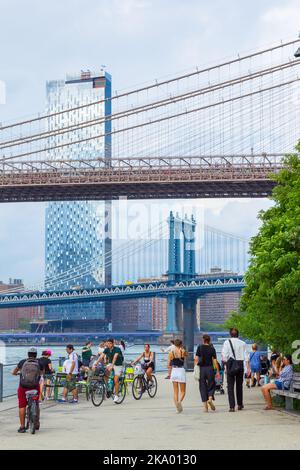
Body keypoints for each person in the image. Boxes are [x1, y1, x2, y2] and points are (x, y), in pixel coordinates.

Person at [12, 347, 44, 433]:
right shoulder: (40, 363)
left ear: (28, 354)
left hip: (23, 387)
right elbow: (42, 373)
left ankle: (22, 427)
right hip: (34, 386)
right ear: (36, 355)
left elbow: (14, 372)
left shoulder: (22, 362)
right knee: (36, 404)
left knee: (22, 406)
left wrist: (16, 373)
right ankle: (36, 423)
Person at [222, 328, 250, 412]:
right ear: (238, 334)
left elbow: (224, 356)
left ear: (230, 334)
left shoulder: (227, 342)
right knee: (239, 385)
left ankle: (232, 406)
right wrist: (248, 368)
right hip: (240, 364)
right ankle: (240, 404)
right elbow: (246, 357)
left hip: (230, 364)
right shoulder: (243, 343)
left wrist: (225, 367)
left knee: (230, 386)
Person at [93, 338, 124, 403]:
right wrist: (95, 363)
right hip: (110, 364)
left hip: (118, 365)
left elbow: (115, 357)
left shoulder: (117, 349)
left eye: (110, 343)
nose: (108, 344)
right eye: (107, 343)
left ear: (113, 344)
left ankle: (116, 395)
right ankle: (108, 388)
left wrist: (112, 365)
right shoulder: (106, 349)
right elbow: (101, 356)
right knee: (104, 374)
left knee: (116, 380)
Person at [195, 334, 220, 413]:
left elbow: (196, 359)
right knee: (211, 384)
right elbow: (215, 361)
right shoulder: (212, 348)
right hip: (210, 368)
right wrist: (218, 371)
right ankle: (210, 398)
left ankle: (205, 407)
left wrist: (195, 368)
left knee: (202, 387)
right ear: (209, 340)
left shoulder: (199, 347)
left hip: (202, 369)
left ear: (203, 340)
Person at [168, 339, 188, 413]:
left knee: (175, 391)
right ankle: (179, 402)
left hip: (174, 371)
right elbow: (187, 355)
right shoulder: (183, 351)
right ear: (180, 344)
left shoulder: (171, 353)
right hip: (181, 370)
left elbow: (168, 365)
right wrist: (182, 349)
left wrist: (169, 373)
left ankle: (177, 407)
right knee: (183, 391)